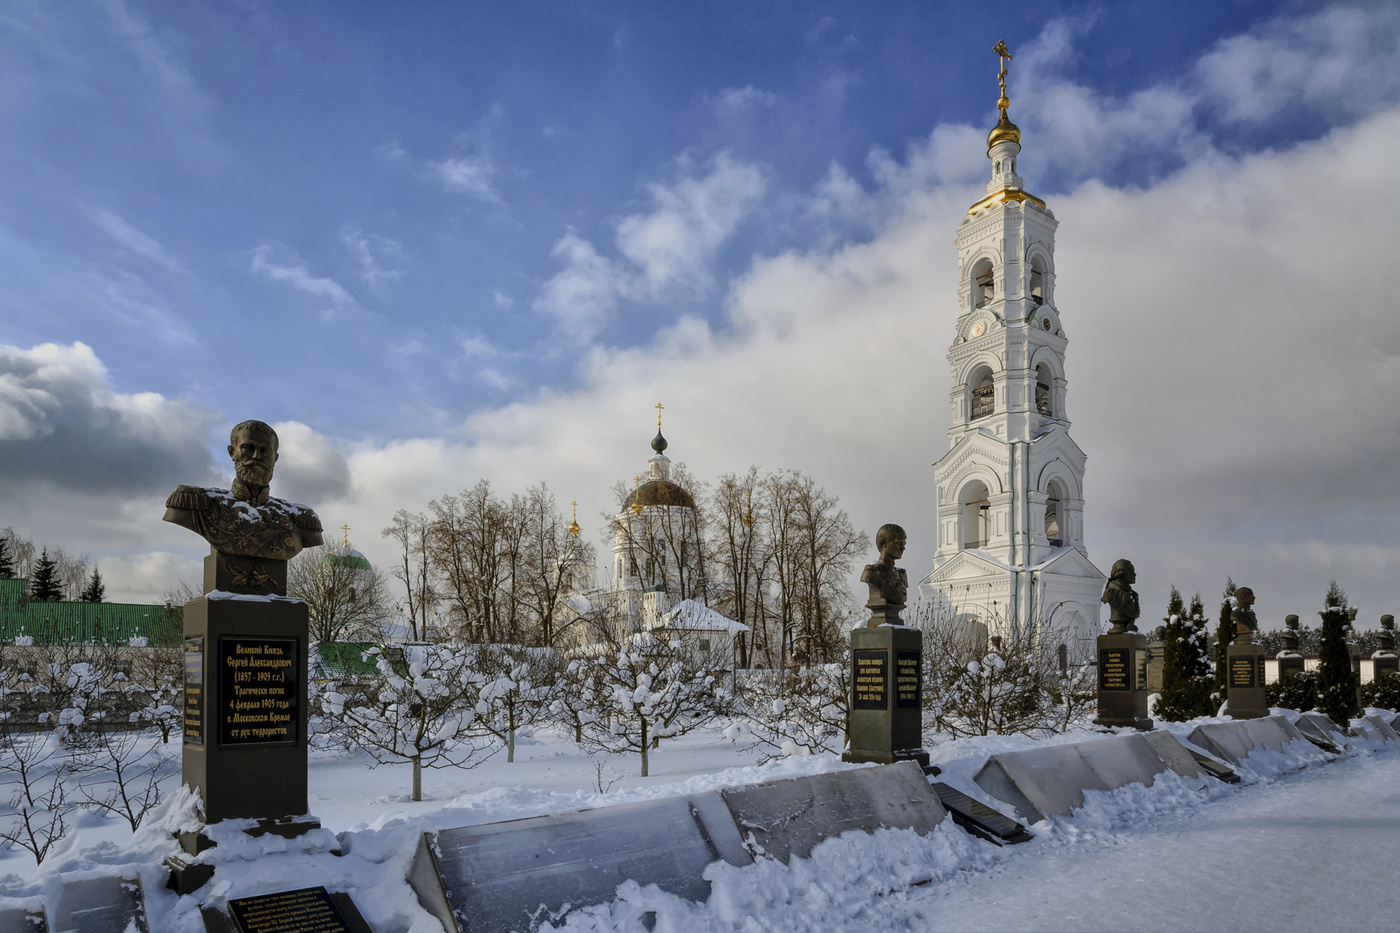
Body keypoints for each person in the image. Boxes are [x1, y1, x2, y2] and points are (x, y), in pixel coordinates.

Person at [164, 420, 323, 561]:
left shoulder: (299, 518)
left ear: (275, 457)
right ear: (232, 452)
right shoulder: (198, 503)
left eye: (265, 450)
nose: (256, 456)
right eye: (248, 448)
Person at [861, 523, 908, 625]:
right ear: (883, 543)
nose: (903, 548)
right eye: (898, 543)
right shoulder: (872, 573)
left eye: (904, 543)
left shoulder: (902, 574)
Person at [1100, 558, 1140, 634]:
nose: (1135, 574)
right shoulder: (1111, 592)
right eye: (1132, 572)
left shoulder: (1132, 594)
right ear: (1122, 573)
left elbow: (1135, 613)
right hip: (1118, 627)